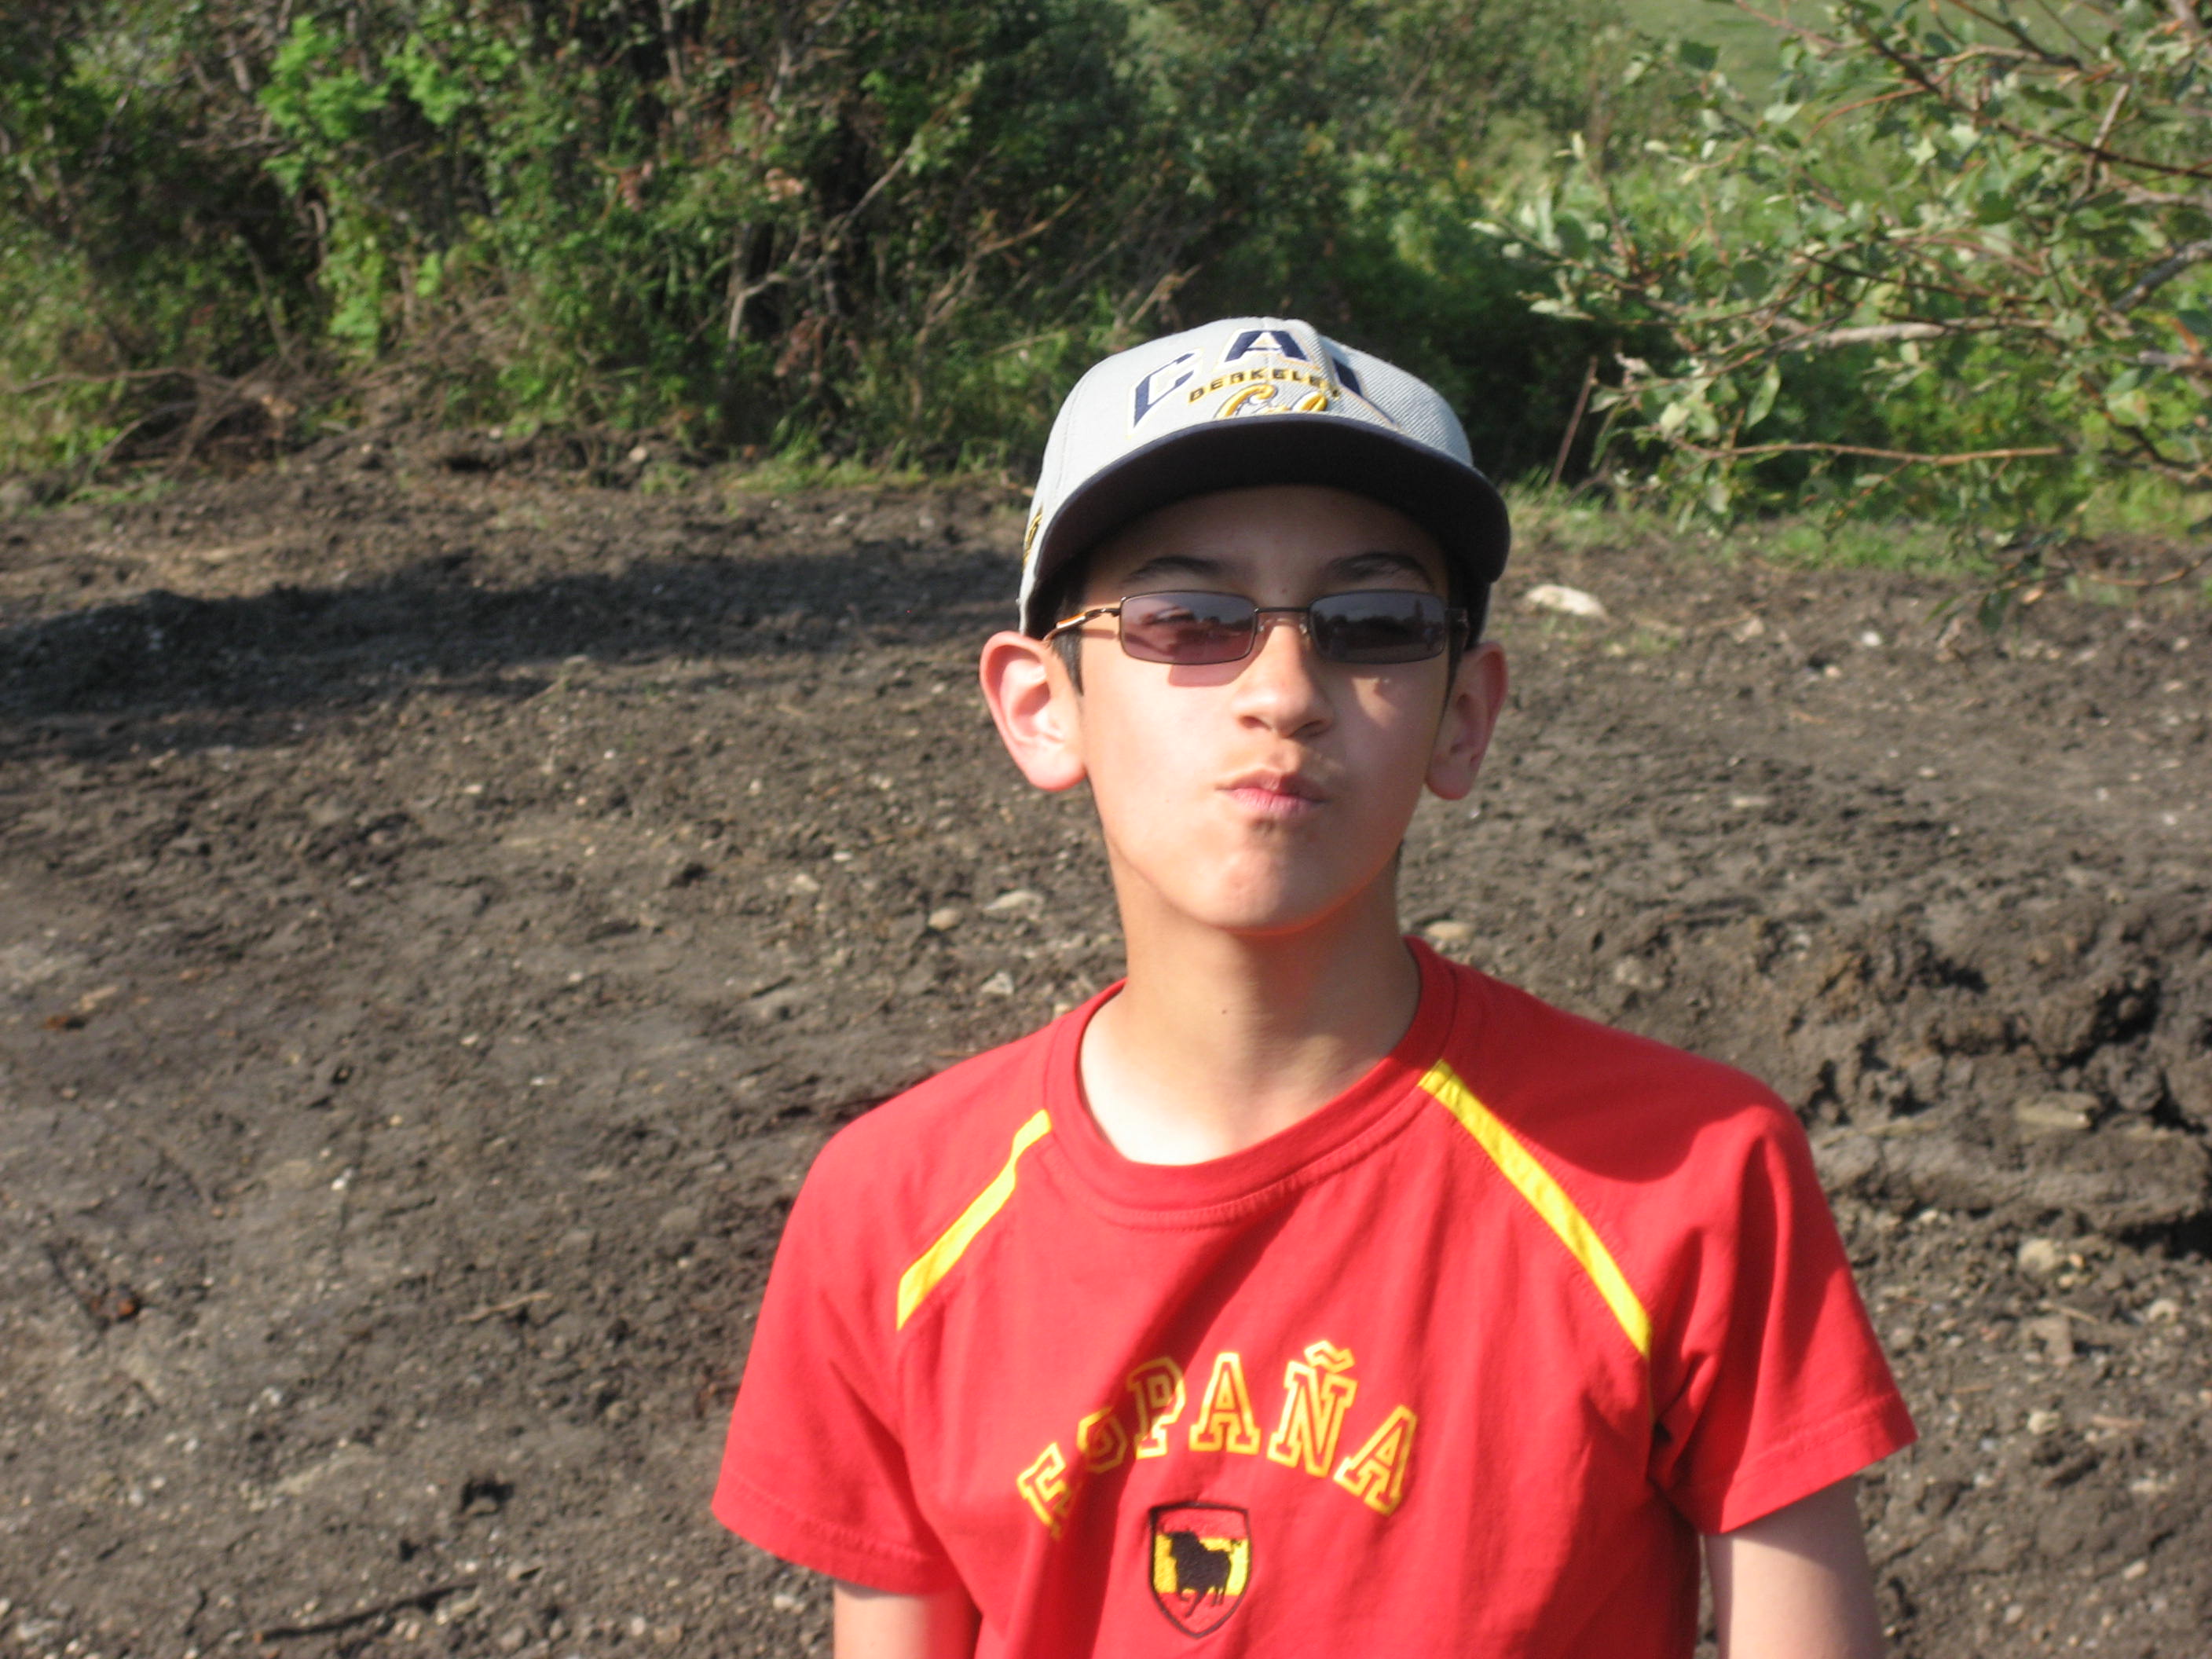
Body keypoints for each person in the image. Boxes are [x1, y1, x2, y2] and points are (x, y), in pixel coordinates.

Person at [713, 317, 1914, 1658]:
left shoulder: (1689, 1179)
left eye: (1374, 625)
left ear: (1463, 715)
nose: (1285, 692)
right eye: (1189, 618)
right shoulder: (891, 1214)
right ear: (1044, 706)